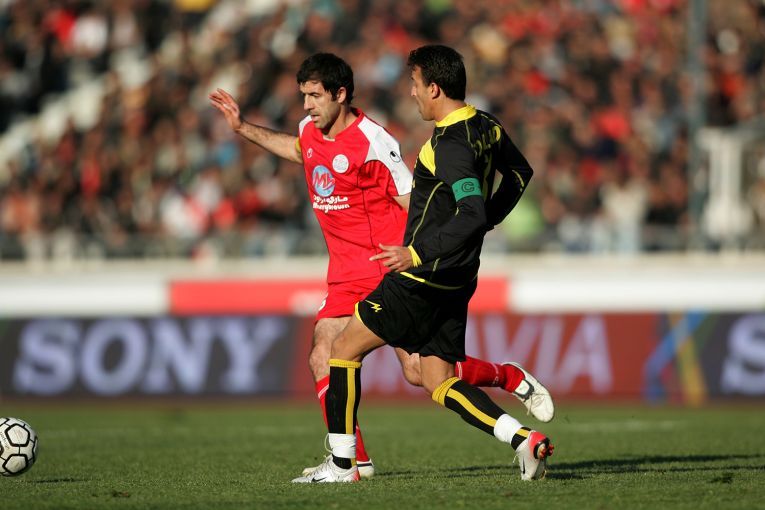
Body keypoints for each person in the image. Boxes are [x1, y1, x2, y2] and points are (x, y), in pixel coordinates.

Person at [209, 52, 553, 480]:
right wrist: (243, 128)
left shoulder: (378, 141)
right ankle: (356, 459)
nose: (307, 105)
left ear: (340, 94)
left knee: (416, 372)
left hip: (387, 266)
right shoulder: (309, 132)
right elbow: (300, 151)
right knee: (326, 354)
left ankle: (504, 379)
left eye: (315, 96)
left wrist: (420, 252)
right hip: (347, 274)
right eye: (303, 96)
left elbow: (417, 202)